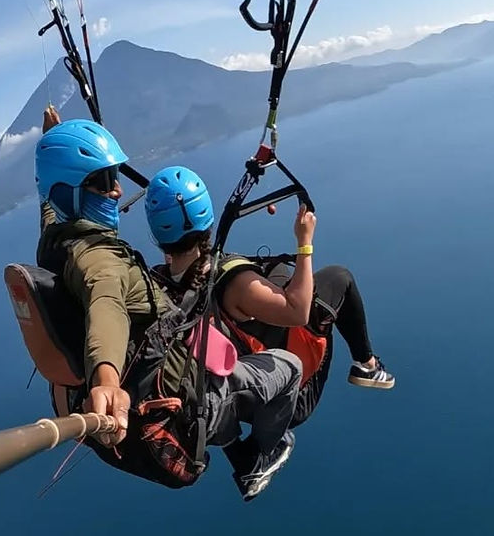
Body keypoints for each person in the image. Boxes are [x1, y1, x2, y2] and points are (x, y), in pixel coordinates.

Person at [34, 110, 301, 500]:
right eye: (104, 182)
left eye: (115, 178)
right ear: (71, 190)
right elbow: (105, 303)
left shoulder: (57, 240)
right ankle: (260, 456)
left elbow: (51, 204)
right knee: (289, 367)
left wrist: (55, 144)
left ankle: (232, 441)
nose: (117, 191)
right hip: (179, 398)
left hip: (147, 382)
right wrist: (106, 379)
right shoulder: (101, 260)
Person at [145, 164, 394, 436]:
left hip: (245, 396)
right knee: (338, 278)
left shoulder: (163, 283)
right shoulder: (236, 283)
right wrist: (304, 242)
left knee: (277, 270)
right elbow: (298, 312)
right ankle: (367, 365)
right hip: (290, 393)